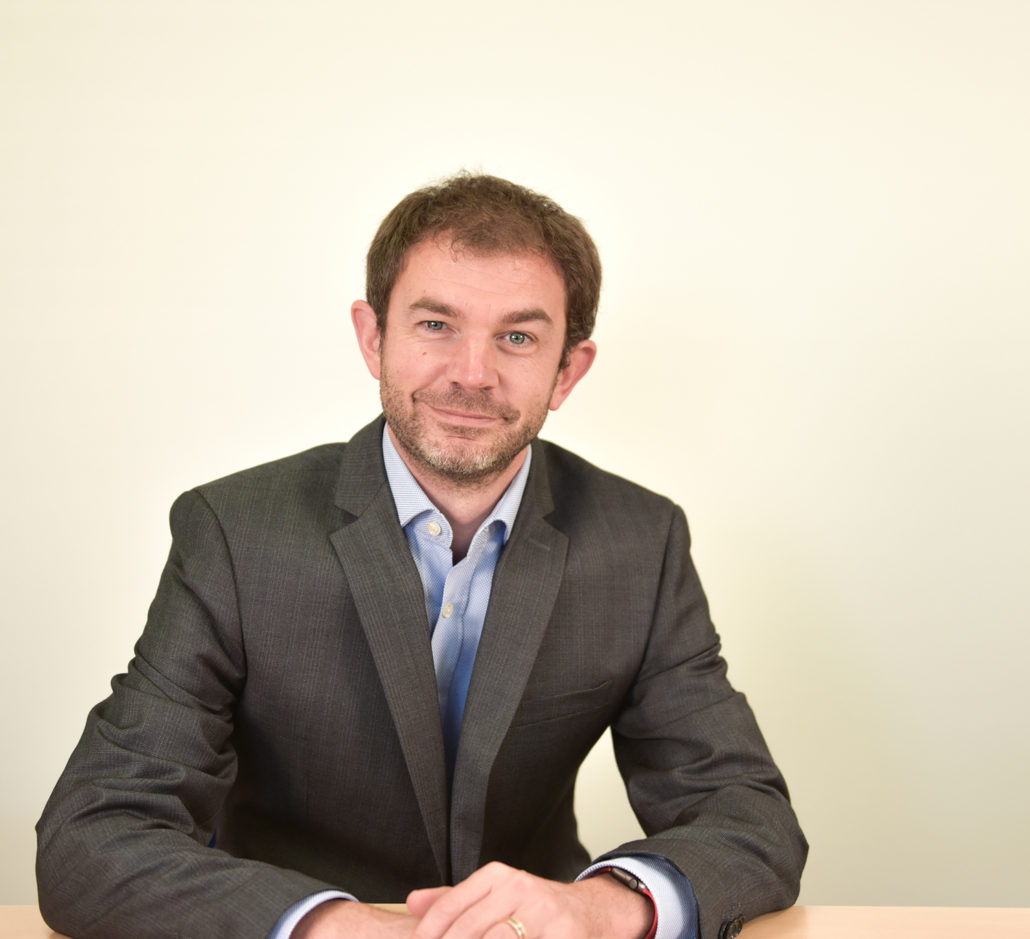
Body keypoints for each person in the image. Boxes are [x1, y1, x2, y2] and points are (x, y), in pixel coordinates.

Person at [36, 173, 807, 939]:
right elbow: (93, 834)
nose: (472, 373)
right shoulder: (237, 533)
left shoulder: (641, 541)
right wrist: (329, 925)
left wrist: (599, 907)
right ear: (374, 338)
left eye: (517, 337)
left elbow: (748, 816)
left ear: (567, 371)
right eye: (436, 324)